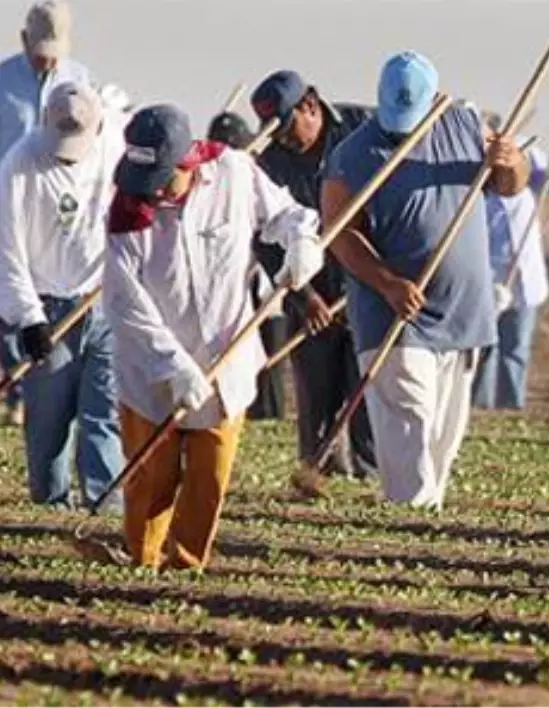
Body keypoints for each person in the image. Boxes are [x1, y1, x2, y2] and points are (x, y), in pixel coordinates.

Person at [104, 104, 325, 570]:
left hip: (226, 360)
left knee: (209, 477)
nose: (156, 192)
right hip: (152, 369)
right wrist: (175, 365)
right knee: (152, 477)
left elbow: (288, 215)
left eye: (166, 178)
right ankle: (139, 565)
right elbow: (126, 304)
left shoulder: (235, 173)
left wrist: (303, 245)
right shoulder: (127, 210)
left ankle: (185, 567)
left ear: (190, 162)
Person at [321, 51, 528, 509]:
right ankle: (410, 514)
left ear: (435, 98)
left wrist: (509, 161)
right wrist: (387, 282)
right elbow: (338, 233)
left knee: (444, 430)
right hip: (393, 313)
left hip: (462, 311)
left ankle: (427, 514)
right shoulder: (352, 154)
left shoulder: (466, 126)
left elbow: (511, 185)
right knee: (408, 417)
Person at [0, 82, 122, 509]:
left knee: (103, 413)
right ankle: (50, 506)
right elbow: (6, 251)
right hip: (47, 307)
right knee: (49, 422)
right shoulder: (18, 166)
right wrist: (29, 317)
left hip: (103, 301)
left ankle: (105, 506)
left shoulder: (115, 148)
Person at [252, 70, 377, 477]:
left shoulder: (363, 129)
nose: (282, 139)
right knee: (316, 396)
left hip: (367, 285)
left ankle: (371, 476)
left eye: (286, 127)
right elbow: (267, 240)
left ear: (310, 105)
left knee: (367, 395)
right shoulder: (269, 162)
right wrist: (304, 298)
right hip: (312, 295)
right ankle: (318, 473)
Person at [0, 1, 91, 427]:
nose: (47, 59)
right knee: (10, 291)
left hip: (60, 208)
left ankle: (45, 386)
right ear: (23, 41)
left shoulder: (79, 80)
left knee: (49, 292)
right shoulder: (3, 81)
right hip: (10, 201)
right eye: (40, 50)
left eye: (54, 50)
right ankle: (17, 389)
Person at [473, 109, 549, 410]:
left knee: (516, 347)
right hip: (486, 274)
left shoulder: (525, 149)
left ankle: (511, 405)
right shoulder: (468, 163)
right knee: (486, 346)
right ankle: (481, 405)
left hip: (525, 272)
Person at [206, 110, 288, 421]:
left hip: (264, 284)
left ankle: (269, 413)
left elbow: (278, 220)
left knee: (267, 353)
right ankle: (244, 409)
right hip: (227, 288)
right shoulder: (207, 184)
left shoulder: (255, 175)